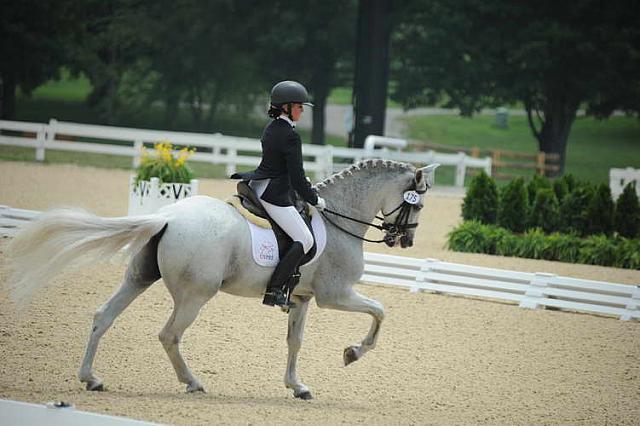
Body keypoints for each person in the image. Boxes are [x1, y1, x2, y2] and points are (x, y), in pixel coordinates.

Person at [231, 80, 326, 308]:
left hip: (259, 184)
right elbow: (296, 176)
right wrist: (314, 198)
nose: (302, 110)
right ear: (286, 107)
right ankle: (274, 290)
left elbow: (280, 167)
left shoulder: (273, 127)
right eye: (299, 106)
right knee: (305, 239)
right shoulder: (290, 135)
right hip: (273, 193)